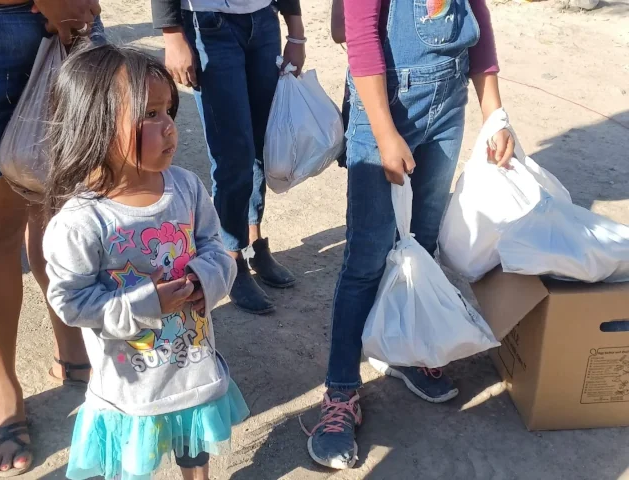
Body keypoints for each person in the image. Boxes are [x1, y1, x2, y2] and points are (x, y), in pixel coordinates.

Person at [307, 0, 515, 469]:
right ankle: (340, 393)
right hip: (386, 104)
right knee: (367, 255)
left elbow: (477, 17)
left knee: (422, 241)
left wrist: (494, 112)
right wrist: (383, 134)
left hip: (447, 110)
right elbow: (359, 35)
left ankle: (406, 350)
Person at [42, 44, 249, 480]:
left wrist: (202, 278)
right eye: (149, 114)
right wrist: (145, 304)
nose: (169, 126)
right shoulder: (82, 222)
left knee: (195, 451)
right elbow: (71, 302)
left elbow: (217, 249)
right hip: (131, 387)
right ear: (94, 125)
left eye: (168, 110)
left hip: (190, 369)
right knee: (134, 462)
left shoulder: (186, 188)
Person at [0, 0, 100, 476]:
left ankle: (72, 349)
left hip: (60, 21)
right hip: (7, 23)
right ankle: (0, 388)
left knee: (61, 213)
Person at [151, 0, 306, 315]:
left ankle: (253, 240)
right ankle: (230, 257)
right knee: (233, 153)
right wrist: (172, 33)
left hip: (263, 20)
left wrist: (296, 31)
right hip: (209, 25)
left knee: (262, 144)